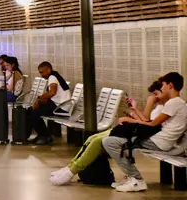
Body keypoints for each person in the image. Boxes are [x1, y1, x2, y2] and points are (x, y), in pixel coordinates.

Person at [51, 72, 187, 191]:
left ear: (170, 85)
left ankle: (136, 179)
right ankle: (72, 169)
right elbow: (151, 123)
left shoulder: (175, 103)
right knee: (107, 139)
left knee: (110, 142)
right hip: (157, 139)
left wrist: (131, 120)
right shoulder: (173, 103)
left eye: (162, 85)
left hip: (160, 142)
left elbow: (152, 124)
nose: (161, 88)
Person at [24, 61, 73, 144]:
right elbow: (53, 96)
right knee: (31, 110)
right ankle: (41, 135)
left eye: (42, 72)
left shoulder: (52, 77)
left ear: (49, 70)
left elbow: (52, 92)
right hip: (59, 105)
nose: (41, 75)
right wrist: (39, 101)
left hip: (61, 108)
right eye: (40, 73)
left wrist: (39, 99)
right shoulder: (54, 76)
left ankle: (44, 136)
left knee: (34, 113)